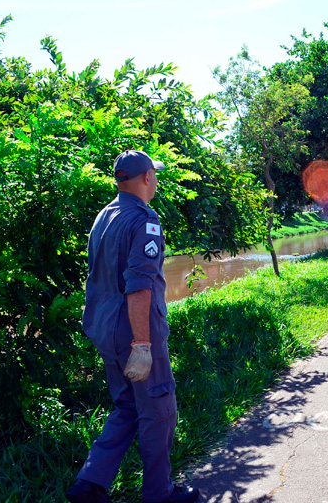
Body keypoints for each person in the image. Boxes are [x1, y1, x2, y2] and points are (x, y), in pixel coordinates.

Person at [65, 151, 199, 503]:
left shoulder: (104, 216)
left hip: (103, 329)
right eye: (154, 174)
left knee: (126, 406)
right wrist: (143, 345)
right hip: (134, 333)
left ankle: (89, 484)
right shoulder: (145, 222)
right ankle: (160, 494)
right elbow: (139, 287)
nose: (155, 180)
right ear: (144, 178)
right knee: (159, 410)